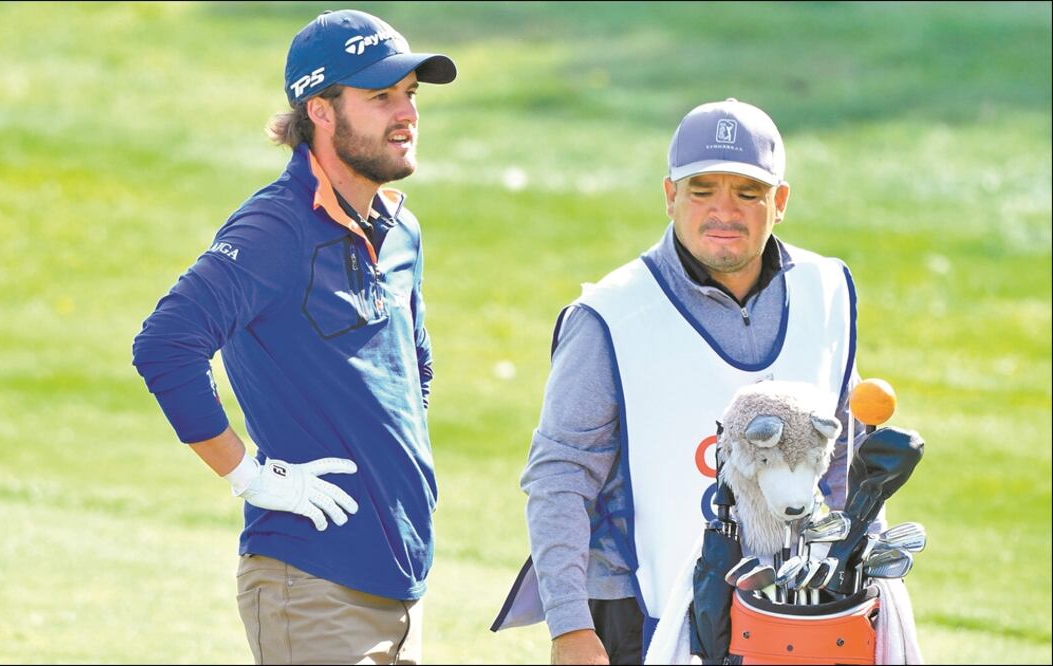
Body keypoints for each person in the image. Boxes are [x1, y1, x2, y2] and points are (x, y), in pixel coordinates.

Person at [498, 98, 898, 664]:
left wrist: (868, 581)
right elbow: (560, 476)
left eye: (748, 193)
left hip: (795, 611)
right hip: (639, 615)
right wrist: (569, 628)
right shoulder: (609, 315)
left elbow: (841, 455)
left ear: (780, 201)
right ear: (670, 196)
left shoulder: (825, 290)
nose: (724, 212)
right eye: (702, 190)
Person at [131, 10, 455, 665]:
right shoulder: (273, 230)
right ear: (321, 111)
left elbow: (412, 366)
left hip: (401, 585)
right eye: (381, 97)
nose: (407, 114)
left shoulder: (401, 230)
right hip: (312, 584)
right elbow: (166, 344)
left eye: (410, 94)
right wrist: (249, 477)